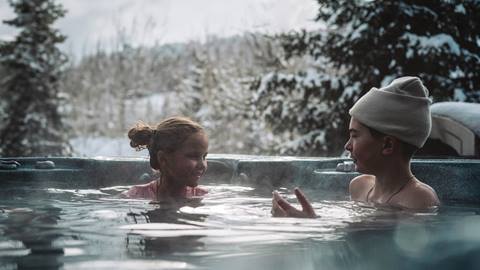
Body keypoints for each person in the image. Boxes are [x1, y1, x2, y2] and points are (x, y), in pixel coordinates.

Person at [271, 76, 440, 218]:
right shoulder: (359, 187)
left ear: (387, 144)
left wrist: (313, 223)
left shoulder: (418, 199)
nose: (347, 145)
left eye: (355, 135)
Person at [121, 116, 209, 201]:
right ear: (163, 159)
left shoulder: (202, 196)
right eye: (193, 156)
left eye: (204, 156)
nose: (202, 165)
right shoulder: (136, 195)